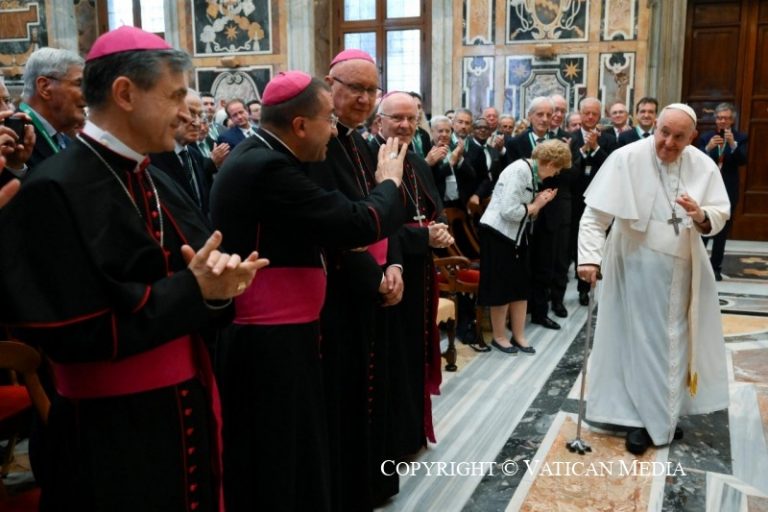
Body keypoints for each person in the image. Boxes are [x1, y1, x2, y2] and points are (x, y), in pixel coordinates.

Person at [0, 26, 268, 511]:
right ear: (125, 93)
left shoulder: (152, 176)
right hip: (110, 436)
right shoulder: (52, 189)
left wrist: (219, 289)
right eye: (175, 95)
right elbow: (72, 333)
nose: (188, 111)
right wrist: (195, 291)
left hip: (182, 405)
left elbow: (196, 283)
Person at [210, 71, 407, 512]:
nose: (334, 130)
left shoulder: (267, 157)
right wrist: (389, 182)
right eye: (328, 119)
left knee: (297, 453)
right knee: (279, 457)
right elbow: (357, 223)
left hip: (286, 336)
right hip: (267, 343)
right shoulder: (266, 167)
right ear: (300, 125)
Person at [577, 103, 730, 456]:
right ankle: (638, 418)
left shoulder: (702, 165)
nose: (669, 143)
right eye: (664, 133)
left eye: (679, 137)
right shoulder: (626, 158)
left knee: (675, 343)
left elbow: (718, 215)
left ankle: (665, 412)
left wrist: (700, 214)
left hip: (683, 268)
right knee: (639, 341)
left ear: (692, 137)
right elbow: (594, 216)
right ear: (655, 126)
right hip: (634, 264)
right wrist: (588, 258)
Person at [310, 48, 405, 510]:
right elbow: (337, 231)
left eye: (372, 90)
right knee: (346, 393)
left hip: (374, 285)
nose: (365, 99)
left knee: (373, 387)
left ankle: (374, 481)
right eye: (356, 88)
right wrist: (375, 277)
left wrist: (395, 266)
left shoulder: (366, 146)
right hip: (339, 294)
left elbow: (391, 215)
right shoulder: (318, 149)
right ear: (331, 86)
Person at [370, 91, 453, 459]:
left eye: (411, 118)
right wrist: (423, 236)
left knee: (417, 352)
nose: (405, 125)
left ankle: (415, 432)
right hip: (390, 275)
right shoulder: (369, 159)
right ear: (379, 122)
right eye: (396, 118)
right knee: (396, 357)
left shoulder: (417, 161)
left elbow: (436, 208)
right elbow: (374, 226)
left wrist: (441, 230)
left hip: (422, 272)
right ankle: (396, 441)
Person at [479, 140, 570, 353]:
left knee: (520, 286)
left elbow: (525, 211)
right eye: (557, 169)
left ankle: (519, 335)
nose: (556, 174)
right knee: (502, 288)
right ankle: (499, 337)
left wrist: (538, 202)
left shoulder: (532, 172)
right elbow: (508, 211)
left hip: (516, 236)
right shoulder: (520, 170)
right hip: (498, 234)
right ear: (549, 162)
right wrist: (536, 204)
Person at [570, 97, 617, 306]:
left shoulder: (609, 139)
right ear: (580, 114)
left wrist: (596, 147)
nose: (590, 117)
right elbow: (568, 166)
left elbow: (612, 166)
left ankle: (602, 285)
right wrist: (583, 150)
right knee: (578, 243)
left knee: (601, 242)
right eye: (586, 113)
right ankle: (583, 288)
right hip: (575, 197)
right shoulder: (570, 138)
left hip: (601, 197)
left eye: (594, 114)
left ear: (600, 116)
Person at [698, 102, 748, 281]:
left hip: (728, 189)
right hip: (707, 189)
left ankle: (715, 268)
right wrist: (708, 148)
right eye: (719, 118)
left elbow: (743, 160)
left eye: (726, 118)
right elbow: (696, 159)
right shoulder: (706, 137)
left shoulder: (741, 137)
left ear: (732, 120)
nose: (722, 121)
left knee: (722, 231)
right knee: (702, 226)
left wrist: (733, 144)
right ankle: (698, 265)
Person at [18, 47, 86, 170]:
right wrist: (16, 166)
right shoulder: (14, 138)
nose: (87, 93)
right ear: (45, 87)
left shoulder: (65, 140)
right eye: (79, 84)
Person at [150, 89, 213, 217]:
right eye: (190, 113)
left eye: (200, 115)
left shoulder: (195, 156)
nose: (197, 123)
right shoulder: (152, 158)